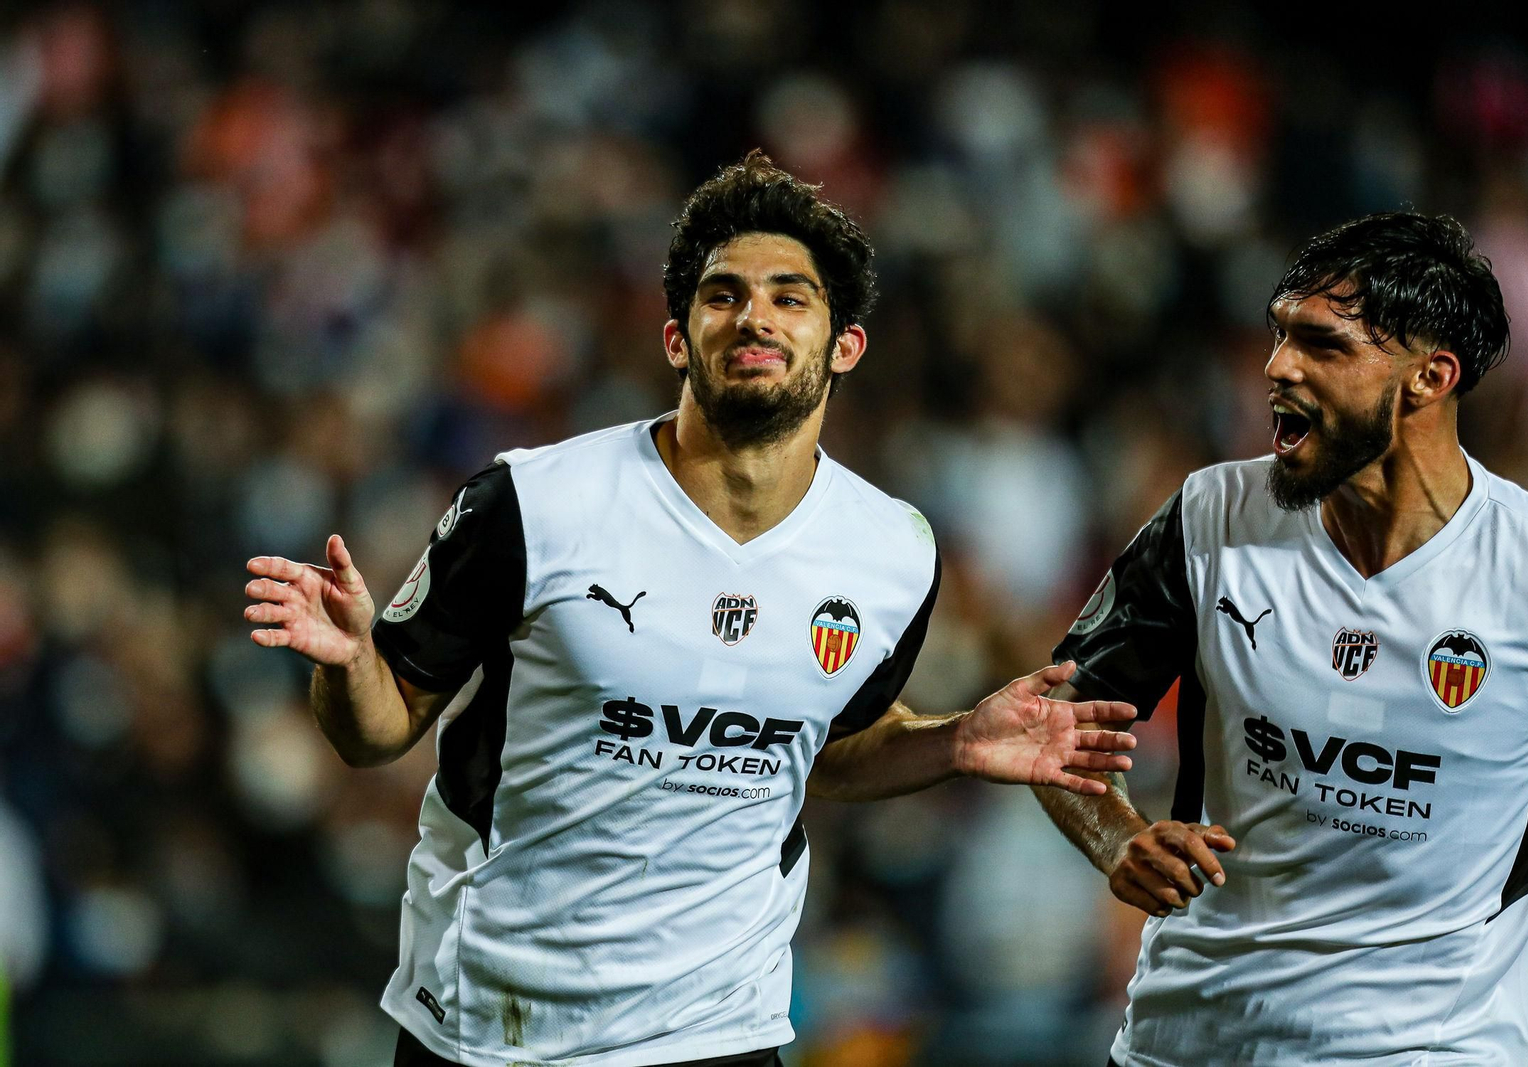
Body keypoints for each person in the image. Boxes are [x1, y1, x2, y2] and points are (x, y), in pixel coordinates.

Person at [244, 151, 1138, 1067]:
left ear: (845, 346)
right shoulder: (533, 504)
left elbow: (823, 750)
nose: (754, 315)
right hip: (494, 1027)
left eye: (790, 297)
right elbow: (377, 729)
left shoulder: (893, 551)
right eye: (723, 295)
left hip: (721, 1030)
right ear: (677, 339)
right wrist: (349, 664)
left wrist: (952, 741)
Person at [1034, 212, 1528, 1065]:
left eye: (1323, 344)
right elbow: (1057, 717)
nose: (1278, 366)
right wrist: (1117, 837)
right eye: (1280, 333)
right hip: (1188, 1040)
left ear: (1430, 376)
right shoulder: (1211, 518)